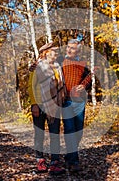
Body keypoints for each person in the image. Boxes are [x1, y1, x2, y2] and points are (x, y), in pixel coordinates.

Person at [28, 42, 66, 175]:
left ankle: (54, 163)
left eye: (57, 51)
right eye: (54, 51)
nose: (56, 53)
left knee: (55, 134)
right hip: (40, 104)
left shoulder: (58, 67)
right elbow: (31, 86)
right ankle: (40, 161)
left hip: (54, 106)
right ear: (46, 52)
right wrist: (34, 104)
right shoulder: (37, 66)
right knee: (39, 134)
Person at [62, 39, 91, 172]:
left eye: (72, 48)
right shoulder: (60, 62)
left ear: (78, 50)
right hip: (66, 101)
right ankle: (74, 162)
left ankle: (69, 156)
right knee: (69, 130)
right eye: (68, 47)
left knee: (78, 131)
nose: (69, 50)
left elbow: (89, 79)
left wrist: (84, 86)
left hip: (79, 101)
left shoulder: (84, 64)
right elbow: (45, 65)